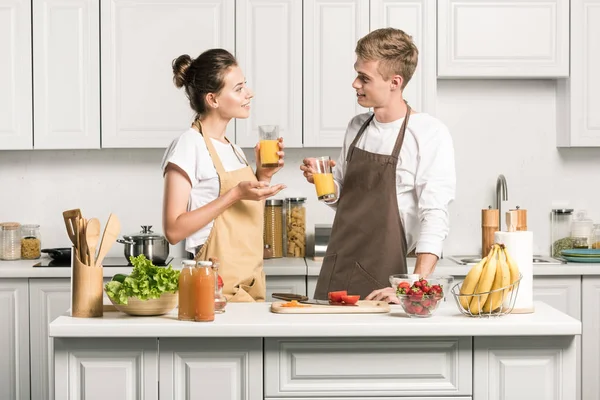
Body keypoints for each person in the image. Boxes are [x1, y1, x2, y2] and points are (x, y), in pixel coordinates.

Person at [301, 28, 456, 303]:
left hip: (386, 283)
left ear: (394, 82)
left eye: (364, 78)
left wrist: (412, 287)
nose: (355, 84)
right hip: (337, 268)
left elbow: (434, 216)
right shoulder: (356, 127)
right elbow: (343, 200)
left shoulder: (429, 133)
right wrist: (323, 183)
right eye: (356, 73)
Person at [162, 48, 286, 302]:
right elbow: (173, 229)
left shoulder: (234, 149)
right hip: (215, 291)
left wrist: (263, 176)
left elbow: (242, 218)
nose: (248, 93)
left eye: (245, 86)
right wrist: (234, 194)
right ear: (213, 99)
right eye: (238, 88)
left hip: (251, 284)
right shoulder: (189, 145)